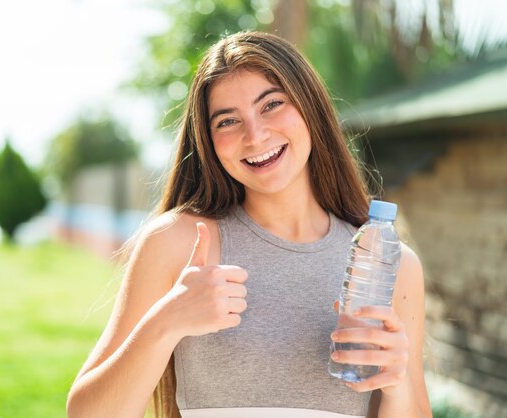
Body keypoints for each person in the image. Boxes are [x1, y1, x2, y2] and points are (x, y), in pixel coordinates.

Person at [66, 31, 432, 418]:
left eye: (272, 104)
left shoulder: (393, 265)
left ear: (311, 108)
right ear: (209, 142)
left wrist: (398, 386)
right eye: (227, 121)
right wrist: (166, 322)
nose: (255, 136)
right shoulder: (177, 243)